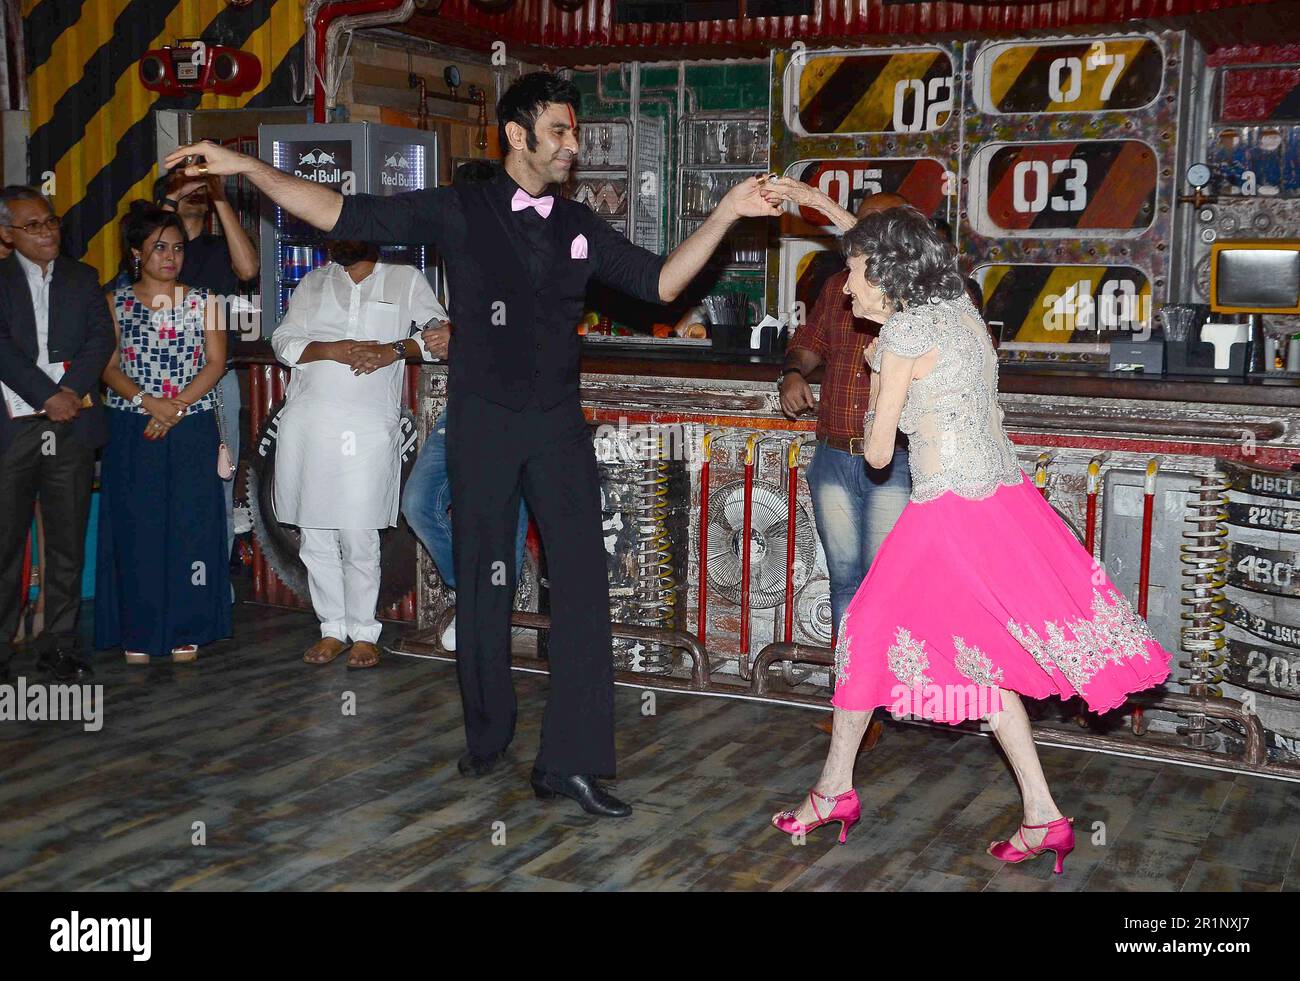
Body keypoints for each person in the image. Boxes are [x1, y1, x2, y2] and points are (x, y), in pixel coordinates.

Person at [165, 71, 782, 819]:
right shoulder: (462, 209)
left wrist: (727, 213)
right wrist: (249, 170)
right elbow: (340, 211)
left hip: (556, 425)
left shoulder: (578, 224)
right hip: (483, 423)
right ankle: (488, 731)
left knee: (583, 587)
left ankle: (572, 764)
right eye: (560, 131)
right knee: (486, 585)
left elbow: (660, 282)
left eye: (575, 132)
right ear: (516, 135)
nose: (573, 145)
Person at [762, 178, 1173, 872]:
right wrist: (825, 209)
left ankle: (834, 789)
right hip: (1004, 504)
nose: (845, 289)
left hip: (945, 513)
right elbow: (902, 244)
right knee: (979, 662)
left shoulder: (903, 333)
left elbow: (879, 454)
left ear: (887, 275)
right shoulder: (956, 306)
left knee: (863, 633)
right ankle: (1042, 814)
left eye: (856, 275)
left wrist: (881, 395)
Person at [269, 241, 446, 671]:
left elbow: (440, 337)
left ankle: (365, 632)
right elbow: (283, 340)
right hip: (308, 421)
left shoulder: (404, 278)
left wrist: (394, 349)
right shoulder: (314, 282)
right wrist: (331, 349)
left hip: (367, 425)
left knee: (359, 533)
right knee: (315, 534)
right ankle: (332, 628)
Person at [400, 159, 528, 652]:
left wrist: (464, 333)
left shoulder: (527, 250)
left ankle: (488, 612)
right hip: (464, 407)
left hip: (516, 408)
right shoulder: (463, 254)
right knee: (418, 501)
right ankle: (478, 599)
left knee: (504, 517)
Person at [96, 202, 232, 663]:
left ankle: (186, 627)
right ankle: (139, 628)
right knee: (139, 526)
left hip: (190, 426)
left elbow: (215, 364)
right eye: (159, 248)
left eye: (176, 248)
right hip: (135, 426)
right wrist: (148, 402)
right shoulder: (115, 301)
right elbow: (108, 367)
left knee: (191, 528)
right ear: (137, 252)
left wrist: (174, 407)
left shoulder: (203, 301)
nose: (170, 257)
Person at [779, 192, 911, 644]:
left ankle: (885, 698)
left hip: (893, 463)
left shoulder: (919, 294)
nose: (867, 233)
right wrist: (794, 372)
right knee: (843, 581)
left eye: (879, 223)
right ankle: (851, 703)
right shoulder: (841, 285)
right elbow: (810, 340)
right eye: (861, 223)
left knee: (887, 586)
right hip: (834, 453)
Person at [0, 186, 115, 684]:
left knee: (67, 543)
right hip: (15, 427)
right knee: (5, 545)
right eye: (33, 225)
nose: (47, 231)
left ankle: (61, 645)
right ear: (7, 234)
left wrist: (67, 393)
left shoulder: (82, 277)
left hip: (70, 424)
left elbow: (100, 340)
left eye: (50, 221)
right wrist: (48, 394)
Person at [155, 168, 259, 567]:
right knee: (163, 481)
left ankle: (212, 581)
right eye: (187, 185)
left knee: (219, 477)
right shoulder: (161, 252)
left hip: (216, 378)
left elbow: (248, 269)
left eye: (200, 184)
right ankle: (171, 575)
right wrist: (171, 198)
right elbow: (147, 253)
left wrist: (218, 195)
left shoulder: (218, 247)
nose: (195, 190)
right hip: (160, 377)